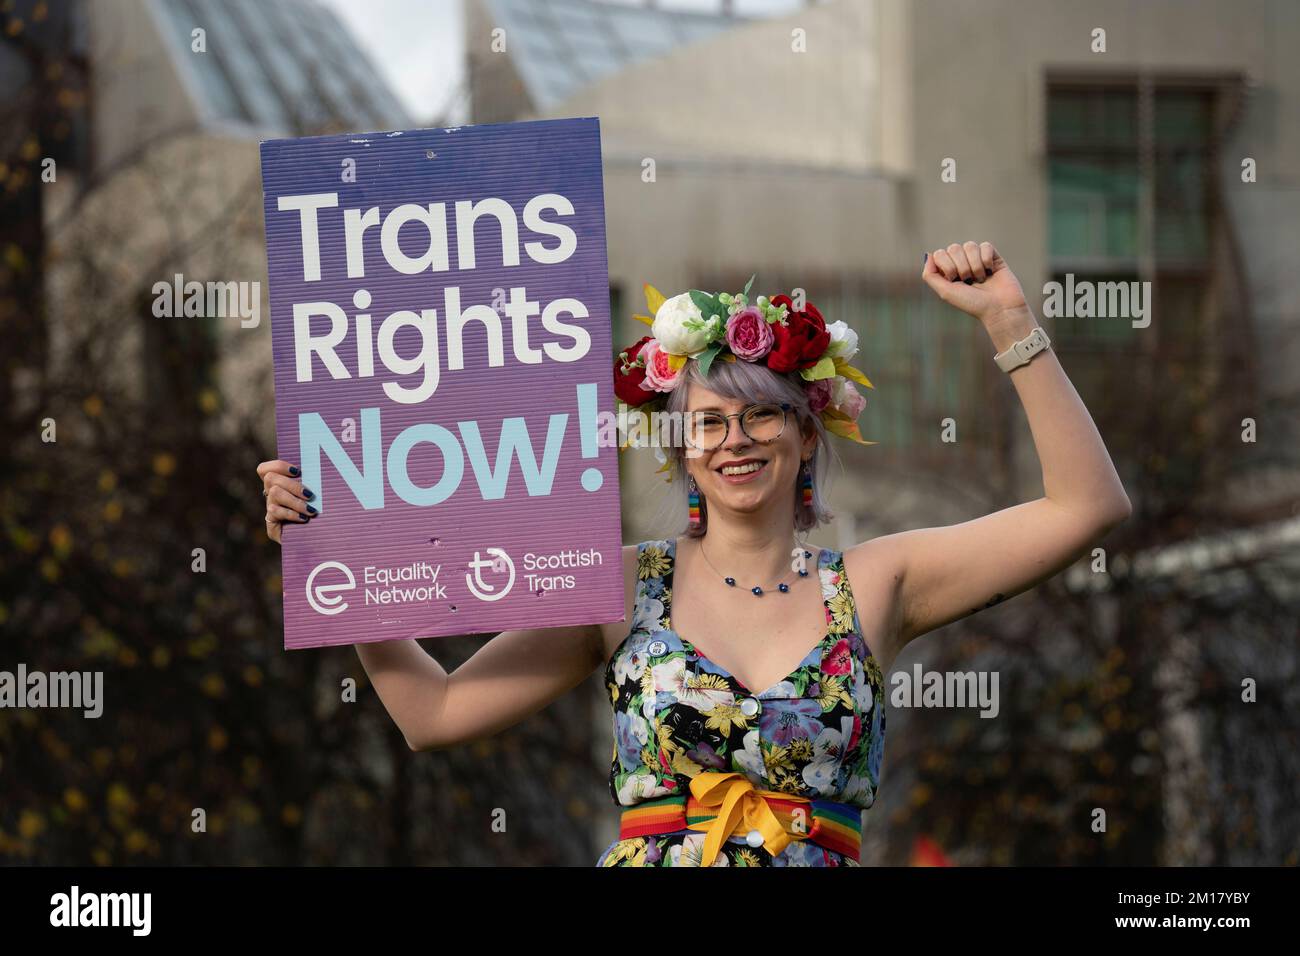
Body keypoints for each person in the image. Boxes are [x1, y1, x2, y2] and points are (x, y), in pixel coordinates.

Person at [257, 241, 1131, 867]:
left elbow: (1086, 508)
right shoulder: (619, 586)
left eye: (760, 414)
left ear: (805, 430)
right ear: (680, 448)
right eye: (708, 421)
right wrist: (339, 553)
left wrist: (1010, 320)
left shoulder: (875, 582)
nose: (735, 440)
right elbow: (434, 715)